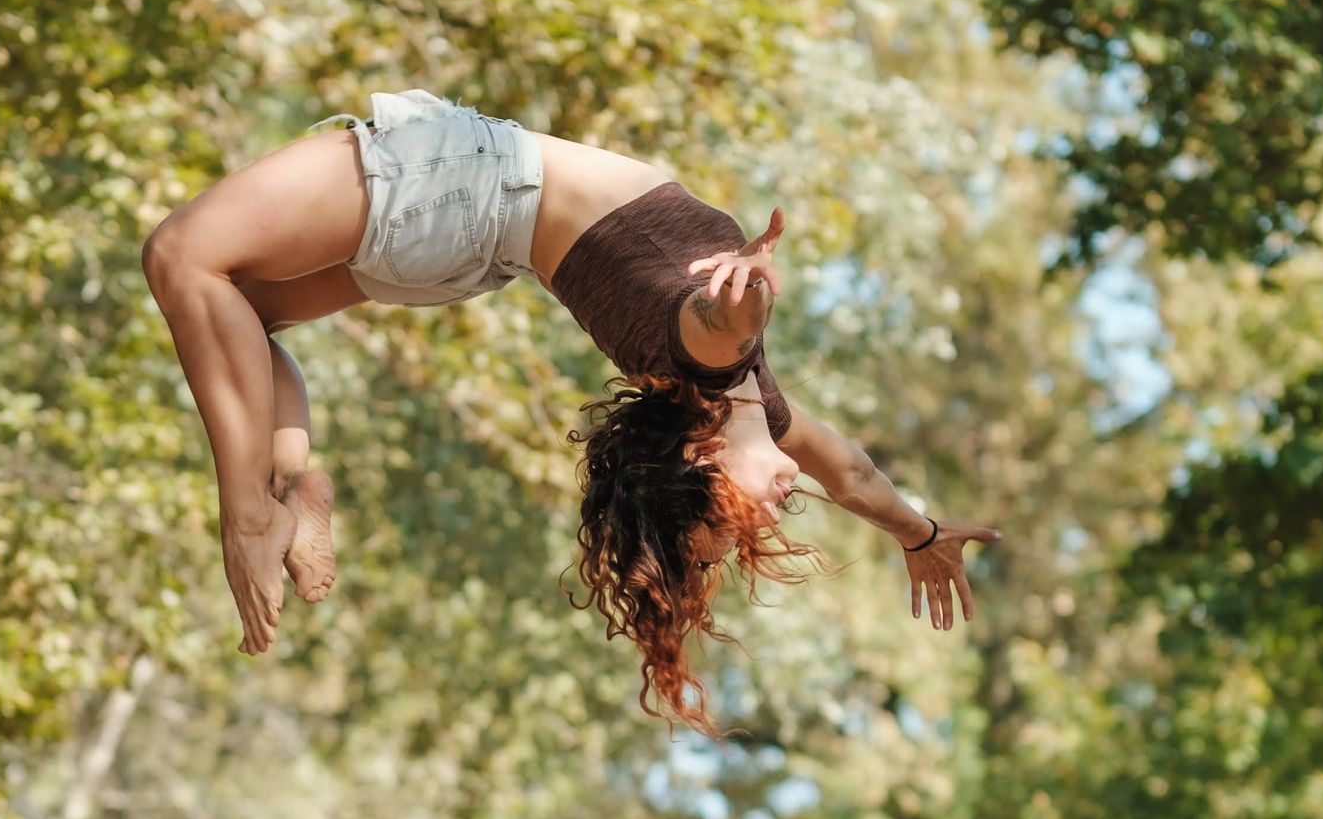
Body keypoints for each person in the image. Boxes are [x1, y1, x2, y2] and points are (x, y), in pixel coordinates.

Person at [140, 90, 1002, 719]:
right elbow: (851, 475)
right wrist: (917, 532)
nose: (775, 511)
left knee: (183, 257)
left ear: (701, 454)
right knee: (238, 319)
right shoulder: (759, 407)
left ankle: (249, 516)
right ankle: (289, 485)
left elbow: (721, 319)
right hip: (470, 252)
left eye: (737, 515)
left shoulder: (709, 360)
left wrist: (748, 290)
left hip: (467, 188)